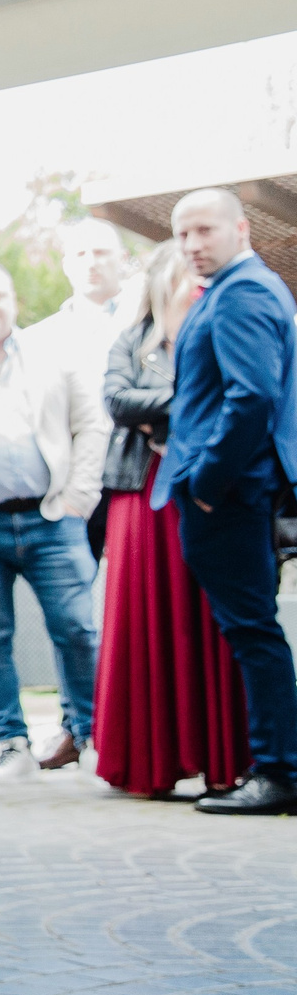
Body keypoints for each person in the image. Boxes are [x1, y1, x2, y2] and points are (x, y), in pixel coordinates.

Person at [155, 188, 297, 816]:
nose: (191, 246)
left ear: (240, 229)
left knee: (253, 633)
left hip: (231, 496)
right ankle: (275, 766)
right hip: (233, 494)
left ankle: (280, 772)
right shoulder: (239, 291)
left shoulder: (244, 294)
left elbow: (252, 400)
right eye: (182, 235)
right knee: (251, 632)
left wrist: (207, 483)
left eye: (204, 231)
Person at [96, 243, 249, 798]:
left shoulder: (223, 333)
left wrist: (166, 404)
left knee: (211, 622)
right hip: (141, 498)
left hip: (207, 491)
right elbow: (116, 401)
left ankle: (224, 760)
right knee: (144, 624)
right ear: (164, 285)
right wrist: (189, 402)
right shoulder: (131, 341)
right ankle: (148, 762)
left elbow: (242, 399)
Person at [0, 262, 107, 779]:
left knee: (77, 629)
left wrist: (80, 495)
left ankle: (87, 734)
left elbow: (90, 422)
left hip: (52, 517)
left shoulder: (52, 352)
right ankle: (11, 743)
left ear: (13, 301)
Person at [29, 218, 133, 558]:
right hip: (72, 478)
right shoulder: (40, 338)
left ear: (123, 258)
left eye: (102, 252)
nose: (91, 262)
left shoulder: (148, 321)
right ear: (66, 264)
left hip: (137, 471)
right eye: (80, 253)